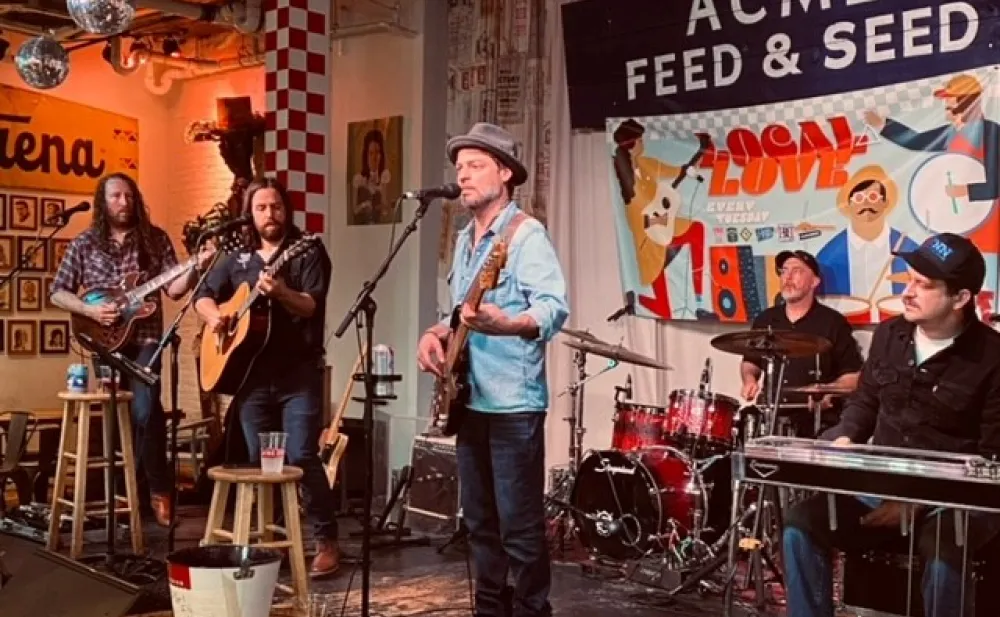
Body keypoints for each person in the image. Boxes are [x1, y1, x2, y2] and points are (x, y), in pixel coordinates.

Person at [783, 233, 1000, 617]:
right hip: (880, 485)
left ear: (961, 298)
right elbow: (865, 402)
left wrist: (917, 503)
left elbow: (990, 457)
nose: (908, 292)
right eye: (909, 279)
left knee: (945, 550)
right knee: (800, 522)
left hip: (952, 500)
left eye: (924, 284)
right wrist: (843, 437)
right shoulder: (888, 335)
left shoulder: (992, 356)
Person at [417, 122, 569, 617]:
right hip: (469, 400)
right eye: (459, 168)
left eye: (475, 165)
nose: (462, 176)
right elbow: (458, 310)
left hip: (512, 405)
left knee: (520, 530)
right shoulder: (464, 240)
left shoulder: (525, 235)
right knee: (479, 524)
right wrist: (435, 333)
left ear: (505, 173)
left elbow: (552, 308)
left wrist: (509, 324)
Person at [50, 172, 216, 526]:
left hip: (147, 342)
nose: (123, 202)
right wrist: (91, 310)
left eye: (128, 196)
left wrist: (196, 266)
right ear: (102, 202)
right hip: (103, 341)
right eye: (115, 197)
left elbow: (173, 290)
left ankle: (158, 491)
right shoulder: (85, 243)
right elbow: (58, 291)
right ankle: (127, 495)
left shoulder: (154, 239)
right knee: (117, 420)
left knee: (144, 409)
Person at [193, 177, 339, 577]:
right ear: (249, 213)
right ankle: (265, 546)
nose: (269, 214)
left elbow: (311, 306)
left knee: (301, 457)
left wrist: (280, 293)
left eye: (276, 206)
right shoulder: (236, 256)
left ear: (285, 210)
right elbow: (203, 296)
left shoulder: (306, 249)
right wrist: (217, 317)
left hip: (298, 374)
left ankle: (325, 540)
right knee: (259, 465)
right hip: (251, 377)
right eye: (261, 208)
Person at [740, 249, 864, 437]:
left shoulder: (833, 322)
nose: (787, 277)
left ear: (814, 282)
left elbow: (853, 377)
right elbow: (751, 361)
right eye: (783, 271)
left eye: (797, 271)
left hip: (814, 419)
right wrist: (749, 380)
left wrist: (826, 390)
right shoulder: (766, 319)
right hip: (770, 415)